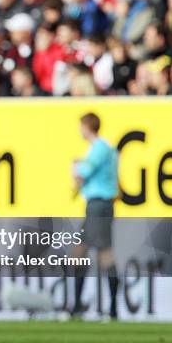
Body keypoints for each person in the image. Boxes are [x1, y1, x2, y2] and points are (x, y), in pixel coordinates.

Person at [71, 113, 119, 320]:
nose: (80, 130)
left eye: (81, 126)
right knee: (79, 253)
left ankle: (113, 308)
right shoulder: (105, 148)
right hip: (95, 206)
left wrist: (75, 167)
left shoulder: (100, 148)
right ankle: (77, 306)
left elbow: (82, 172)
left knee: (105, 255)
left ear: (87, 127)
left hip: (99, 205)